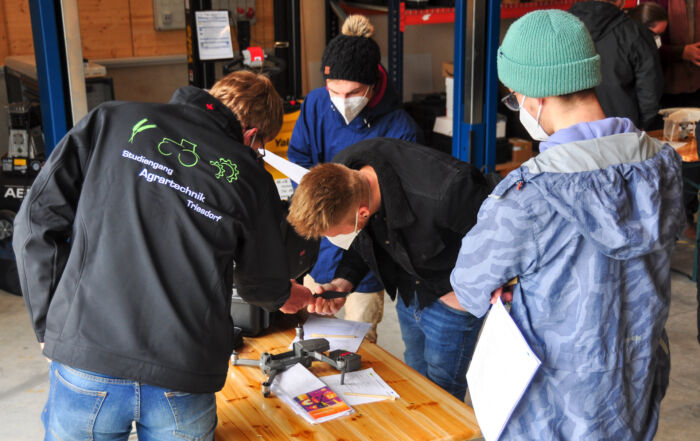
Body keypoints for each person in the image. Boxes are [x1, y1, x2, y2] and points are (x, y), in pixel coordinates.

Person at [13, 71, 314, 441]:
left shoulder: (111, 120)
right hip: (183, 376)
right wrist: (284, 295)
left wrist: (47, 324)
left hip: (88, 355)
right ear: (252, 136)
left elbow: (34, 221)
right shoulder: (248, 175)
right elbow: (258, 284)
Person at [451, 10, 683, 440]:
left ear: (535, 97)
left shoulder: (530, 195)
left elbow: (468, 286)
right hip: (634, 384)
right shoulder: (662, 163)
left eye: (515, 96)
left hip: (554, 405)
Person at [287, 138, 490, 400]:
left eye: (334, 234)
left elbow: (499, 243)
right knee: (416, 375)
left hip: (451, 298)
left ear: (362, 213)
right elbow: (365, 236)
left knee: (442, 393)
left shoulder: (448, 190)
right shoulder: (347, 175)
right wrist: (344, 282)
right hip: (409, 286)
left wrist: (466, 290)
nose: (331, 241)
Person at [287, 14, 420, 344]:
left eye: (353, 92)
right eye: (335, 91)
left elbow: (397, 207)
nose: (343, 101)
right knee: (310, 332)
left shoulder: (400, 128)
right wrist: (314, 207)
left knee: (357, 343)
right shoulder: (317, 104)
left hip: (366, 249)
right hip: (319, 242)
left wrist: (351, 224)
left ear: (373, 84)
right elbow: (299, 156)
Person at [569, 0, 664, 130]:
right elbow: (650, 89)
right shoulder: (636, 33)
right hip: (623, 131)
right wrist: (639, 126)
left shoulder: (560, 30)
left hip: (573, 132)